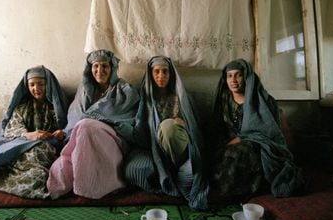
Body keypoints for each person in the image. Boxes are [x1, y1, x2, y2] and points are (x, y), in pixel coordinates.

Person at [47, 49, 140, 199]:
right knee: (62, 170)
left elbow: (130, 122)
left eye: (105, 66)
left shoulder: (125, 91)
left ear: (112, 69)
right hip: (82, 138)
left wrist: (96, 122)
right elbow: (75, 117)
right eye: (95, 66)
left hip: (112, 140)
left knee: (85, 125)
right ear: (90, 69)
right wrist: (65, 132)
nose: (99, 71)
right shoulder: (84, 90)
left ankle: (90, 187)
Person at [0, 65, 69, 199]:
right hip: (21, 145)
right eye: (32, 85)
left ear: (47, 85)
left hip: (46, 147)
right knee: (0, 162)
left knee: (37, 163)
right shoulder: (21, 107)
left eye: (40, 84)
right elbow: (12, 128)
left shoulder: (58, 106)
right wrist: (30, 134)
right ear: (27, 86)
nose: (36, 89)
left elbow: (69, 127)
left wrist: (60, 133)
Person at [209, 59, 304, 199]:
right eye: (229, 76)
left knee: (238, 152)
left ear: (246, 76)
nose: (233, 80)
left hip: (260, 143)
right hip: (229, 141)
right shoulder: (224, 99)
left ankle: (241, 192)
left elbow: (269, 131)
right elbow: (217, 127)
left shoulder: (262, 100)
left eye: (238, 75)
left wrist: (242, 138)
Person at [124, 56, 209, 210]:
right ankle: (165, 175)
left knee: (169, 129)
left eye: (165, 72)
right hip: (152, 150)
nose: (161, 76)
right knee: (134, 169)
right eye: (156, 72)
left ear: (171, 75)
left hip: (178, 153)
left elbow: (194, 130)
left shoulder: (181, 97)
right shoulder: (144, 98)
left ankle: (174, 173)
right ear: (151, 74)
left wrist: (184, 124)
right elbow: (139, 132)